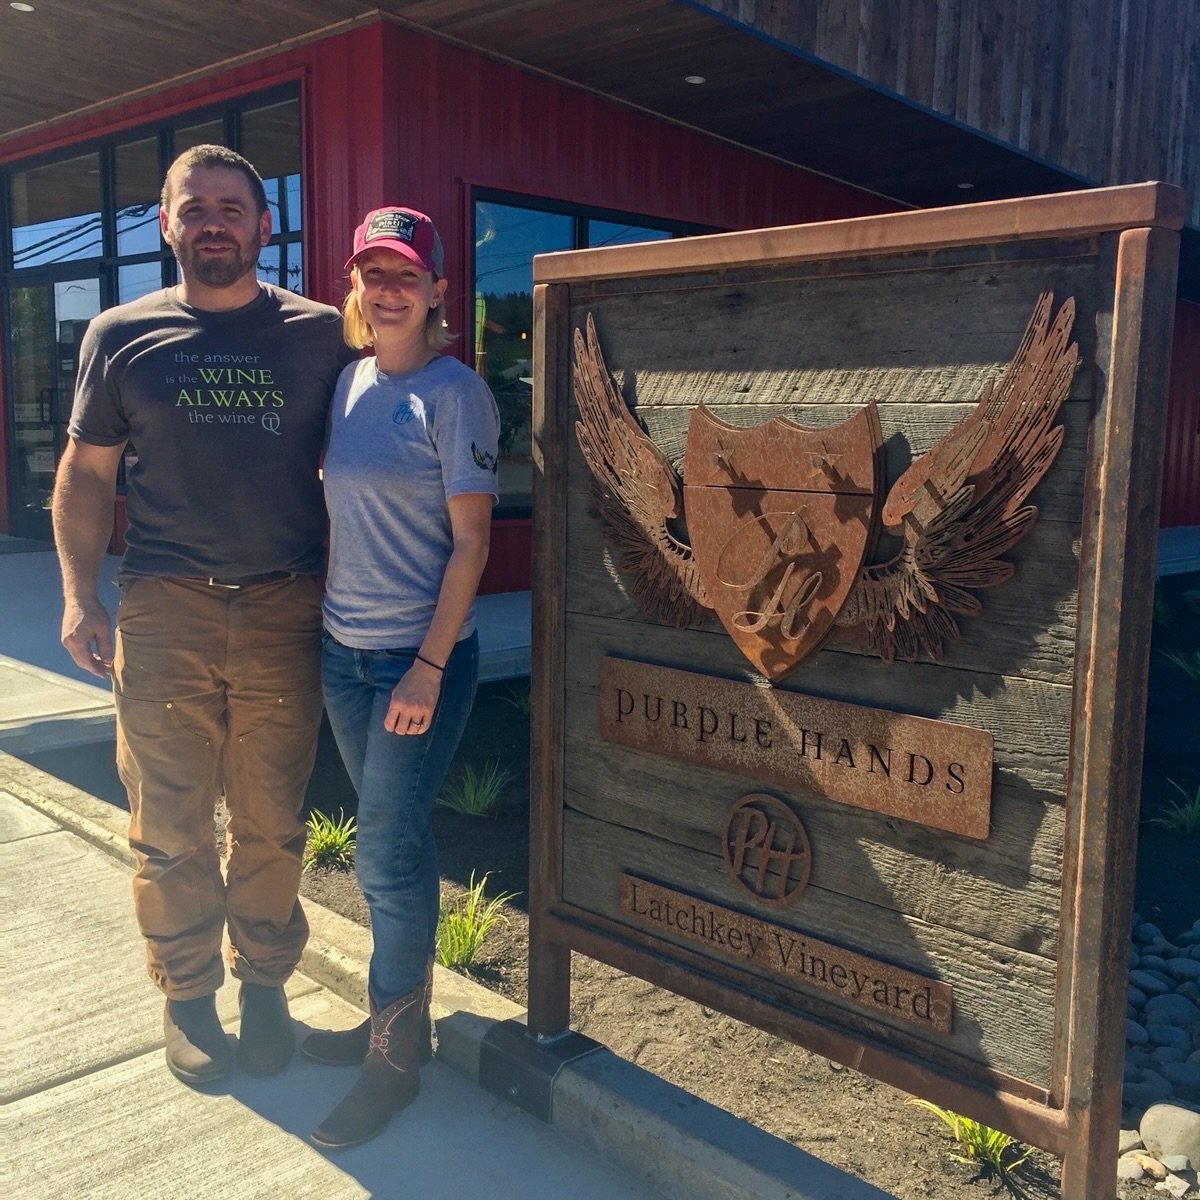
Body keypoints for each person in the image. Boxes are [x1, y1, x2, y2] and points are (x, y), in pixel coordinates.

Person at [53, 144, 352, 1085]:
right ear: (166, 224)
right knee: (169, 822)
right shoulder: (119, 333)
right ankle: (187, 1000)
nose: (215, 222)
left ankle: (264, 987)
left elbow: (371, 461)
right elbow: (85, 474)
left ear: (265, 226)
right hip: (163, 611)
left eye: (233, 207)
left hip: (283, 610)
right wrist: (77, 594)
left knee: (271, 818)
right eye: (197, 207)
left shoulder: (318, 335)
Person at [299, 206, 499, 1149]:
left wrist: (425, 668)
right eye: (373, 273)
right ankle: (398, 1020)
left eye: (406, 275)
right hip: (345, 654)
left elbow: (473, 545)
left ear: (436, 293)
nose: (388, 290)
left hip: (417, 665)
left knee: (382, 848)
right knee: (393, 846)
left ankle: (395, 1058)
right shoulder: (349, 385)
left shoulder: (456, 395)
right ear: (357, 286)